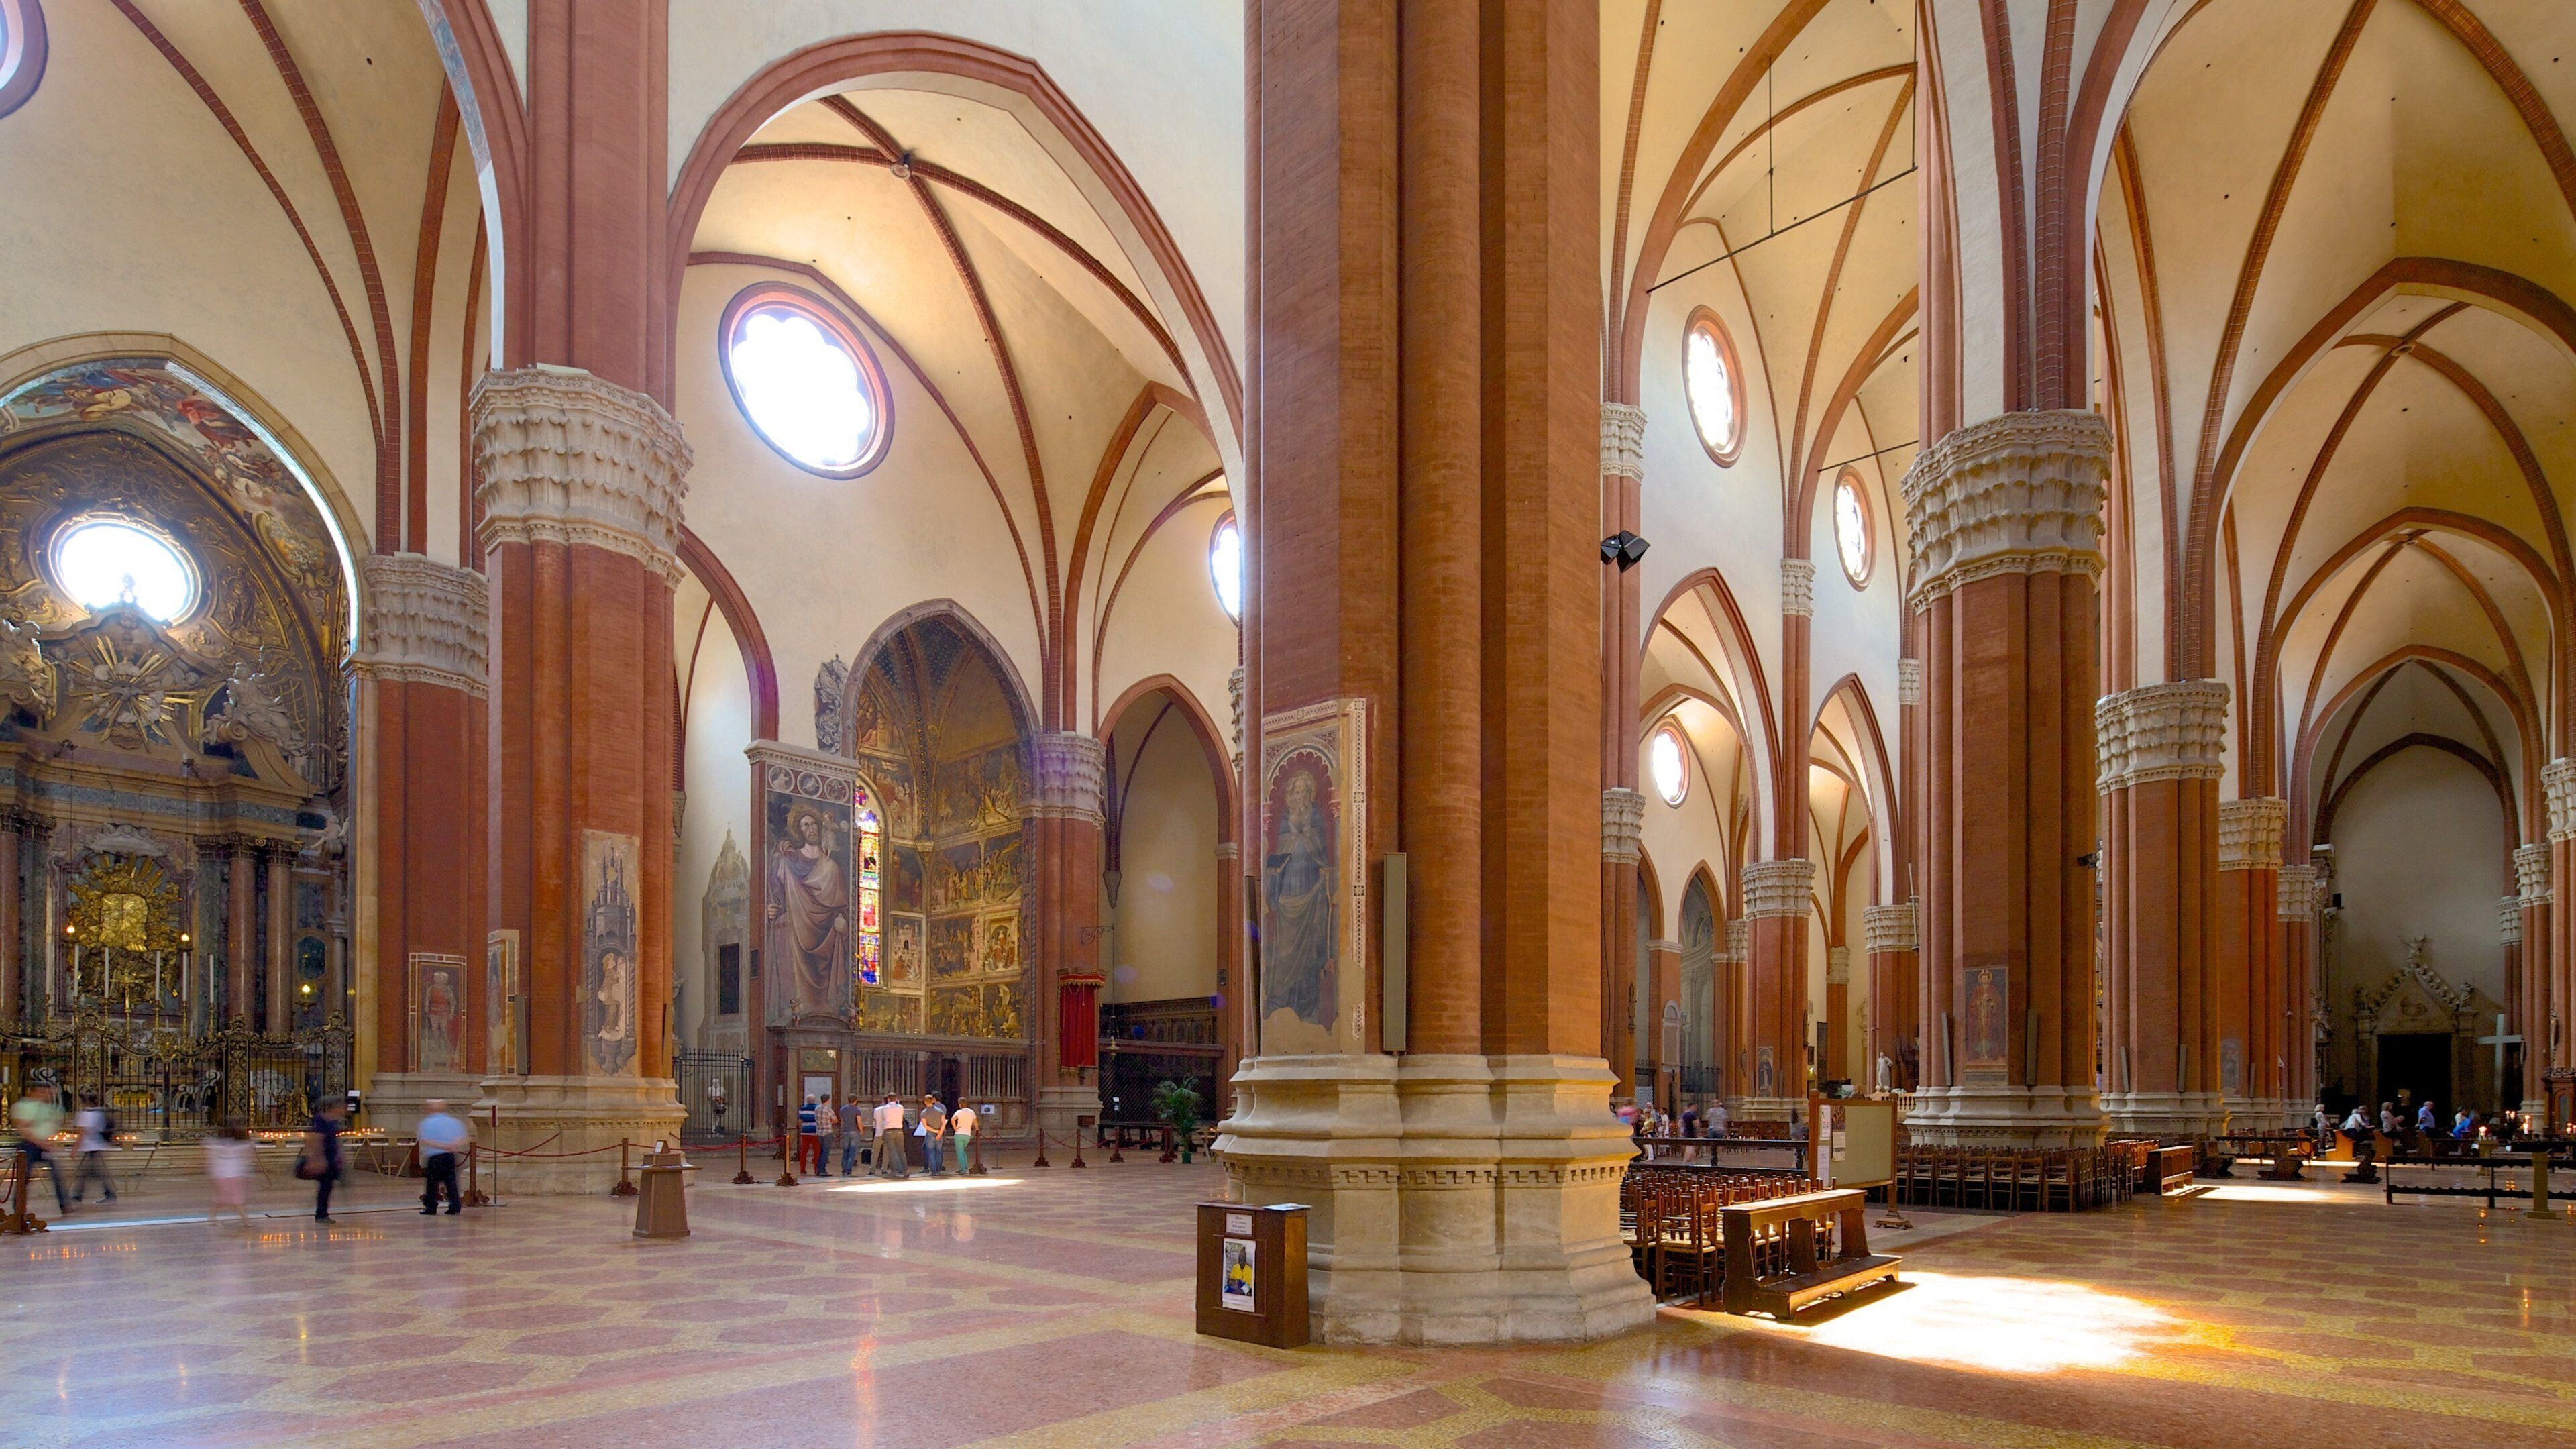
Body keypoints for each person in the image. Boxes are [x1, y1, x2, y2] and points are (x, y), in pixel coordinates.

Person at [10, 1085, 68, 1215]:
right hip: (29, 1145)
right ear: (35, 1092)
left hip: (43, 1145)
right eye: (44, 1093)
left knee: (56, 1175)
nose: (47, 1096)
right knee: (24, 1178)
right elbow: (24, 1129)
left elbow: (52, 1123)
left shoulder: (47, 1108)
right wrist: (42, 1143)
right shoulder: (23, 1107)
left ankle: (64, 1204)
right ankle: (18, 1206)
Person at [417, 1099, 468, 1216]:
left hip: (435, 1156)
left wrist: (442, 1146)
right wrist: (452, 1146)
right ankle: (455, 1206)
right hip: (450, 1156)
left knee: (432, 1183)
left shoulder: (427, 1123)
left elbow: (426, 1140)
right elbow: (463, 1137)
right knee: (451, 1182)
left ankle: (431, 1207)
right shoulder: (454, 1122)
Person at [204, 1120, 255, 1228]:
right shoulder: (242, 1145)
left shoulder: (218, 1144)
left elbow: (211, 1156)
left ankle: (211, 1217)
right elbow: (247, 1157)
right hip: (233, 1173)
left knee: (224, 1196)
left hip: (223, 1173)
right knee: (235, 1196)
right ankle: (245, 1219)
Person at [304, 1099, 347, 1222]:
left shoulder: (332, 1121)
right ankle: (321, 1214)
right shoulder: (321, 1120)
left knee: (327, 1186)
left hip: (332, 1159)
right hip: (325, 1159)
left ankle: (322, 1212)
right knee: (325, 1186)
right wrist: (317, 1159)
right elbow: (316, 1139)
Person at [71, 1095, 117, 1205]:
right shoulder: (100, 1114)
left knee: (90, 1172)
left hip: (89, 1146)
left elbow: (82, 1133)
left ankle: (108, 1193)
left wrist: (75, 1149)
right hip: (98, 1144)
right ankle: (79, 1194)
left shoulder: (84, 1114)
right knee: (89, 1171)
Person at [872, 1092, 908, 1179]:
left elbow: (884, 1118)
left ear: (888, 1099)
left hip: (889, 1131)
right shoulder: (901, 1107)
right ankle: (906, 1171)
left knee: (891, 1151)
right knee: (901, 1152)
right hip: (899, 1131)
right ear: (896, 1099)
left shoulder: (885, 1108)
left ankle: (894, 1172)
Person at [916, 1094, 948, 1176]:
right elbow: (943, 1123)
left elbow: (925, 1126)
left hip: (930, 1134)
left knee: (931, 1153)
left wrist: (935, 1131)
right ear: (933, 1101)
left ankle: (934, 1172)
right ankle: (938, 1170)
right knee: (938, 1152)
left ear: (925, 1102)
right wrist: (940, 1133)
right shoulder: (940, 1111)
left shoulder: (924, 1113)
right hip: (939, 1133)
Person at [839, 1095, 865, 1175]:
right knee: (852, 1151)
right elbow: (859, 1121)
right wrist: (861, 1130)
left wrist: (843, 1129)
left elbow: (842, 1122)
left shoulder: (842, 1109)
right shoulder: (857, 1109)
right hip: (854, 1132)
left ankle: (844, 1169)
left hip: (846, 1131)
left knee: (845, 1151)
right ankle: (848, 1169)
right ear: (855, 1101)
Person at [949, 1099, 977, 1174]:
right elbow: (975, 1122)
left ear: (960, 1105)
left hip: (959, 1134)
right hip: (968, 1135)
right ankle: (965, 1166)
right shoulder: (972, 1112)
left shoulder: (959, 1112)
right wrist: (977, 1129)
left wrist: (955, 1128)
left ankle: (963, 1169)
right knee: (962, 1151)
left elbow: (952, 1119)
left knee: (960, 1152)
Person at [797, 1094, 822, 1175]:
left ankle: (802, 1169)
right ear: (814, 1100)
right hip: (815, 1132)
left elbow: (800, 1120)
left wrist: (802, 1129)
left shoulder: (802, 1109)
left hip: (805, 1132)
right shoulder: (817, 1108)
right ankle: (816, 1169)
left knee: (804, 1151)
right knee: (817, 1151)